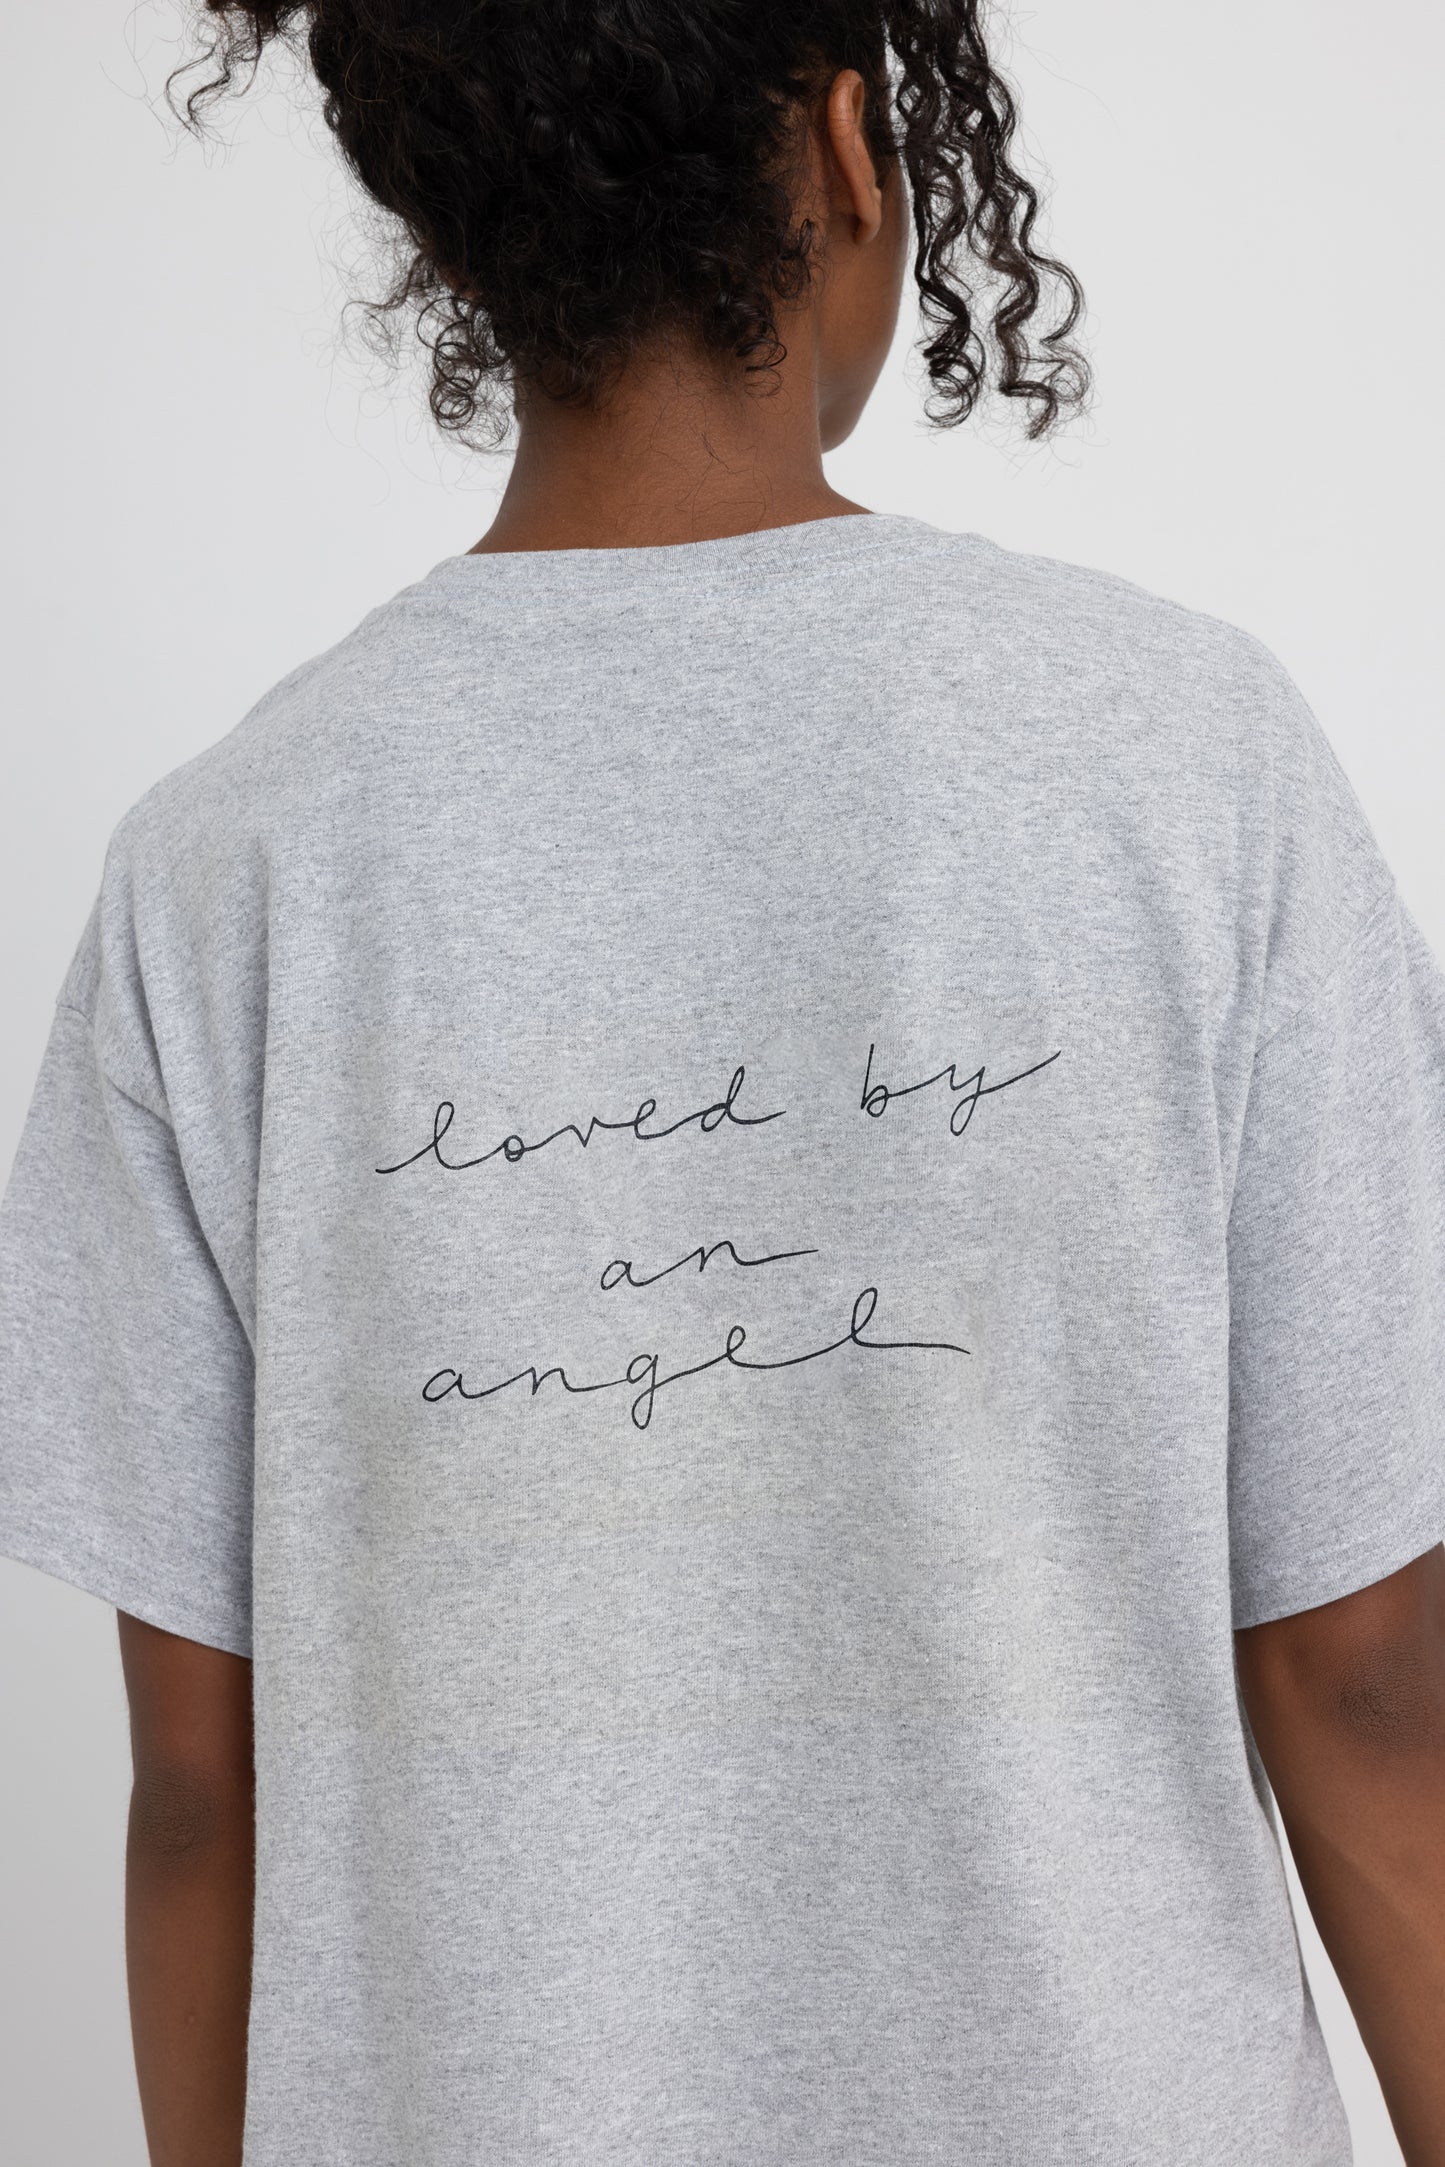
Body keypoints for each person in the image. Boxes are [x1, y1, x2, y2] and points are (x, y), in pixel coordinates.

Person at [1, 2, 1442, 2162]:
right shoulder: (1187, 762)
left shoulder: (223, 872)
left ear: (453, 225)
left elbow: (202, 1785)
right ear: (853, 151)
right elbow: (1364, 1674)